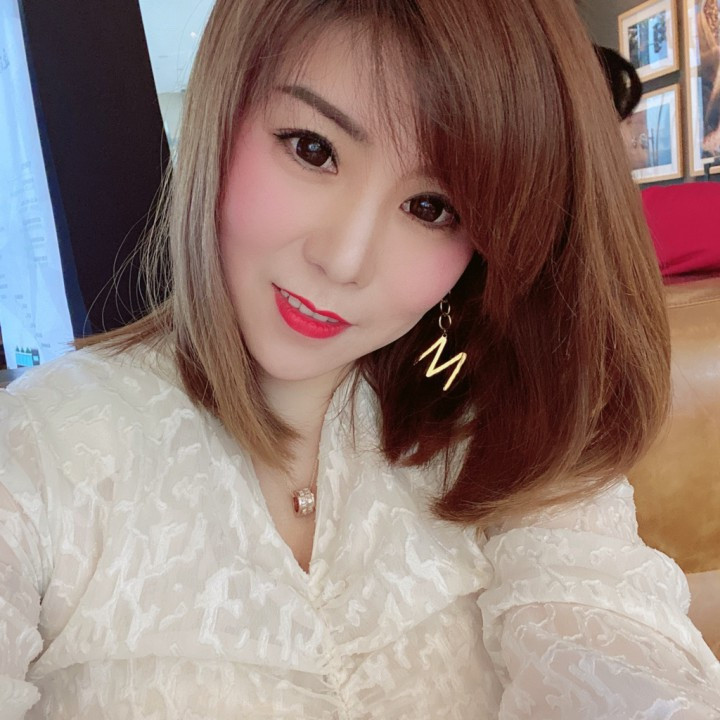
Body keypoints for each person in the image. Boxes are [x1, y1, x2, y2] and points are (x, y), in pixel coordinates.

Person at [1, 0, 720, 717]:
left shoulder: (511, 430)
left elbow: (609, 650)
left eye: (432, 207)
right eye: (312, 149)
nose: (343, 260)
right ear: (222, 113)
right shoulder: (36, 455)